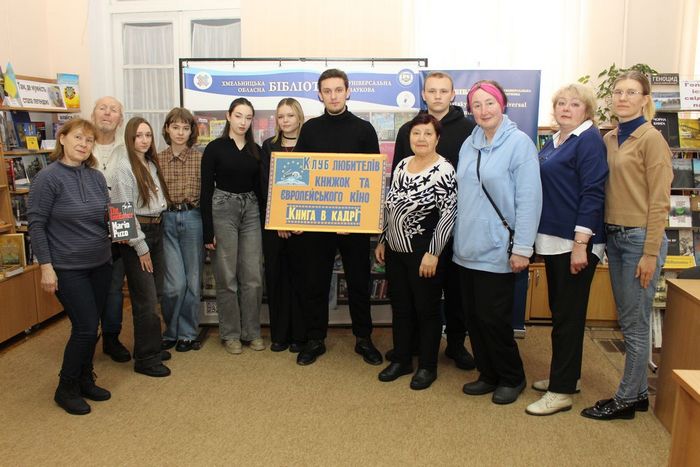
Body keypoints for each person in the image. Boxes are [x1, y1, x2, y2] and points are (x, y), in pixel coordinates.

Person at [581, 71, 672, 421]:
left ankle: (625, 399)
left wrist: (650, 253)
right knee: (629, 318)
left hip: (639, 240)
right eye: (618, 92)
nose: (622, 98)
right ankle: (638, 394)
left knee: (634, 324)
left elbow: (660, 202)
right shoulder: (609, 138)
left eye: (631, 92)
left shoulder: (651, 140)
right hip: (616, 237)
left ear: (645, 99)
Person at [454, 80, 542, 405]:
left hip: (498, 249)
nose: (483, 110)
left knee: (494, 319)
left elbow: (529, 199)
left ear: (502, 104)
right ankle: (488, 373)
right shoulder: (469, 144)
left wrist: (523, 248)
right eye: (476, 105)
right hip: (466, 248)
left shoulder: (520, 144)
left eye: (489, 103)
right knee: (474, 318)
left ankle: (512, 376)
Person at [525, 84, 608, 416]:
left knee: (568, 318)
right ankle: (567, 377)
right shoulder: (557, 139)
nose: (566, 108)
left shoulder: (588, 140)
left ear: (587, 110)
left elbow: (593, 192)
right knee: (561, 313)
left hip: (574, 243)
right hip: (553, 240)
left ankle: (560, 392)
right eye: (561, 103)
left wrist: (580, 245)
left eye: (574, 104)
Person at [293, 68, 383, 366]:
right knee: (315, 282)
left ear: (348, 91)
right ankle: (315, 339)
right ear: (320, 95)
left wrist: (357, 220)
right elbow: (300, 176)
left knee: (359, 282)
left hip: (353, 224)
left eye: (338, 90)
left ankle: (364, 339)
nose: (333, 96)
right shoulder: (310, 129)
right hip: (317, 223)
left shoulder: (364, 130)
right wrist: (299, 217)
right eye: (327, 91)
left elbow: (372, 181)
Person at [388, 71, 476, 370]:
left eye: (443, 91)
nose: (437, 96)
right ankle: (410, 348)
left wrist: (435, 248)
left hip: (448, 229)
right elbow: (395, 191)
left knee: (452, 292)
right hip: (408, 240)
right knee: (411, 299)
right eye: (432, 90)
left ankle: (454, 345)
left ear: (452, 95)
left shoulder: (469, 129)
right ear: (423, 94)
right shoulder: (409, 130)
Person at [28, 118, 112, 415]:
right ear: (62, 139)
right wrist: (46, 267)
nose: (83, 144)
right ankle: (65, 388)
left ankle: (85, 379)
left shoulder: (96, 177)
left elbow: (106, 216)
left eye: (89, 140)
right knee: (86, 328)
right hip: (67, 267)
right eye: (78, 137)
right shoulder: (48, 178)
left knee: (92, 325)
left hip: (101, 263)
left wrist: (121, 226)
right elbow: (36, 225)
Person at [375, 113, 457, 390]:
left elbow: (448, 216)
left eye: (427, 134)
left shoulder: (444, 170)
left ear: (437, 138)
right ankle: (402, 359)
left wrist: (433, 253)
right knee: (400, 308)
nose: (421, 139)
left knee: (427, 310)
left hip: (424, 253)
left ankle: (427, 366)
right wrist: (383, 239)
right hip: (396, 251)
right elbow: (390, 205)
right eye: (416, 133)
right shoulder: (402, 165)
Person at [201, 97, 265, 355]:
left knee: (253, 276)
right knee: (227, 276)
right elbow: (206, 190)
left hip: (251, 210)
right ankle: (230, 334)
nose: (243, 122)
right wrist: (208, 231)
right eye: (238, 116)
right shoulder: (215, 148)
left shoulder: (255, 149)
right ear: (228, 116)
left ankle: (252, 332)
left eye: (248, 117)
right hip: (222, 209)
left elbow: (261, 189)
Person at [108, 117, 171, 377]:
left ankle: (149, 345)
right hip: (137, 237)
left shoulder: (149, 163)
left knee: (155, 294)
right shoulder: (123, 167)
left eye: (148, 135)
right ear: (129, 138)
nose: (144, 140)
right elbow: (120, 214)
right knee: (145, 299)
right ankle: (146, 359)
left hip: (156, 229)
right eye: (138, 136)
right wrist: (140, 246)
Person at [261, 98, 306, 352]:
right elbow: (266, 186)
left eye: (290, 115)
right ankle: (279, 335)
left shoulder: (310, 145)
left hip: (304, 226)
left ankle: (300, 336)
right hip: (274, 225)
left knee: (300, 280)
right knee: (276, 279)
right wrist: (278, 219)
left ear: (299, 117)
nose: (285, 120)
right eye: (281, 116)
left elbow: (315, 186)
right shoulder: (269, 146)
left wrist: (300, 220)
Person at [157, 108, 203, 353]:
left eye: (185, 128)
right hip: (166, 219)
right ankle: (170, 330)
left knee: (193, 281)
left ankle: (187, 333)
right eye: (175, 127)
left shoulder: (200, 158)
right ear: (167, 129)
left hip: (193, 217)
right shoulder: (156, 159)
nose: (180, 132)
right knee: (174, 285)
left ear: (191, 131)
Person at [91, 96, 131, 363]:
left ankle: (111, 337)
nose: (107, 113)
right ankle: (86, 334)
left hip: (120, 213)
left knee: (115, 284)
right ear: (93, 114)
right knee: (88, 283)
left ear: (120, 119)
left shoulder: (127, 147)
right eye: (102, 108)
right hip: (88, 220)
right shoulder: (82, 144)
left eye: (113, 110)